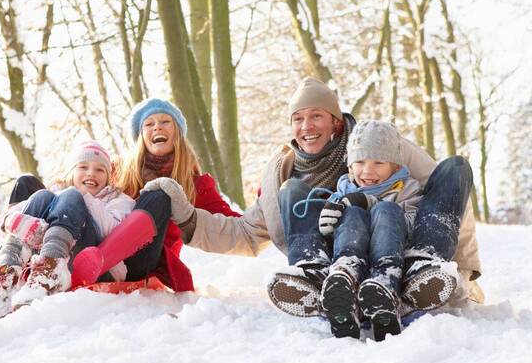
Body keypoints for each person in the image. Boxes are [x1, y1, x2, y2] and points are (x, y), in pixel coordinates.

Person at [144, 77, 483, 318]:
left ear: (335, 121)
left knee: (454, 168)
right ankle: (316, 275)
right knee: (292, 192)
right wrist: (187, 217)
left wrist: (464, 271)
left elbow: (447, 199)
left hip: (395, 249)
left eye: (316, 116)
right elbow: (245, 234)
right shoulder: (280, 172)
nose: (307, 126)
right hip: (337, 264)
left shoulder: (378, 145)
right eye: (298, 119)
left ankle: (423, 270)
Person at [71, 97, 241, 292]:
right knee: (28, 184)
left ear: (177, 132)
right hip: (96, 246)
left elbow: (232, 226)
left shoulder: (195, 184)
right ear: (141, 136)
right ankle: (41, 263)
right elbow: (87, 187)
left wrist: (266, 209)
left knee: (162, 191)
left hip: (142, 261)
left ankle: (98, 263)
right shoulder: (119, 170)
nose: (157, 127)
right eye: (149, 124)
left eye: (165, 122)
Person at [293, 120, 423, 340]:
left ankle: (384, 290)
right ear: (350, 166)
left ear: (396, 166)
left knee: (386, 209)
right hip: (353, 258)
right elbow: (330, 234)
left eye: (379, 162)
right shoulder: (343, 191)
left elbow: (412, 226)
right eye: (360, 162)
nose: (368, 171)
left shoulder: (407, 190)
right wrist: (328, 223)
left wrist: (370, 202)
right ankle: (344, 284)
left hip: (388, 262)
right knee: (351, 213)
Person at [0, 141, 136, 316]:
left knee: (70, 196)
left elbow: (112, 232)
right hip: (43, 257)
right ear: (72, 172)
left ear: (108, 177)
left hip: (95, 259)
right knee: (41, 196)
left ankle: (52, 269)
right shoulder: (55, 193)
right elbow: (5, 224)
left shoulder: (118, 199)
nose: (91, 173)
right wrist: (9, 220)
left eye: (99, 170)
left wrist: (80, 197)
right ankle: (8, 275)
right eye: (83, 167)